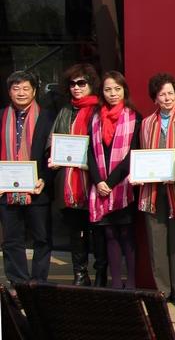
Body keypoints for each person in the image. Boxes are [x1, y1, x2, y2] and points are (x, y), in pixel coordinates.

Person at [48, 63, 104, 286]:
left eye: (82, 83)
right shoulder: (65, 111)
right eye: (72, 84)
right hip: (69, 181)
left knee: (98, 231)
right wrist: (52, 157)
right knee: (76, 230)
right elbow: (53, 142)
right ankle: (80, 273)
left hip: (94, 179)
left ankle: (101, 273)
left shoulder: (100, 109)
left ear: (91, 84)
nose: (76, 88)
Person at [138, 73, 175, 306]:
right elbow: (142, 155)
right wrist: (139, 173)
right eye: (162, 94)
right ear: (155, 98)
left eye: (170, 93)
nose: (167, 98)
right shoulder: (146, 123)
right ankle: (163, 290)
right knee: (156, 241)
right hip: (152, 191)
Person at [87, 70, 141, 289]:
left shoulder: (134, 117)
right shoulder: (95, 118)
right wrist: (98, 181)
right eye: (108, 89)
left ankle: (132, 282)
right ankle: (116, 283)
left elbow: (133, 154)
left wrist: (110, 183)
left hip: (123, 186)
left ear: (124, 90)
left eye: (117, 89)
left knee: (126, 234)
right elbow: (89, 152)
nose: (113, 94)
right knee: (109, 233)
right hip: (100, 185)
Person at [0, 71, 55, 283]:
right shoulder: (1, 116)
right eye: (16, 88)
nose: (21, 93)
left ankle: (38, 283)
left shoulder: (48, 117)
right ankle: (19, 283)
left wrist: (45, 178)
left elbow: (54, 153)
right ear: (9, 92)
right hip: (6, 190)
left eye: (25, 88)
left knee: (42, 238)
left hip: (37, 188)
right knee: (12, 240)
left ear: (34, 91)